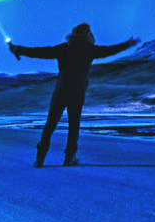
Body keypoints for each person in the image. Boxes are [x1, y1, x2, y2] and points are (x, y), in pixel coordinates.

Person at [9, 23, 139, 167]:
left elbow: (40, 52)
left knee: (50, 125)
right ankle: (69, 158)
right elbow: (110, 51)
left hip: (60, 91)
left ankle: (40, 158)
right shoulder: (90, 50)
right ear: (86, 34)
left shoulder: (64, 48)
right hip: (77, 93)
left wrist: (18, 49)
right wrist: (128, 44)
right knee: (73, 126)